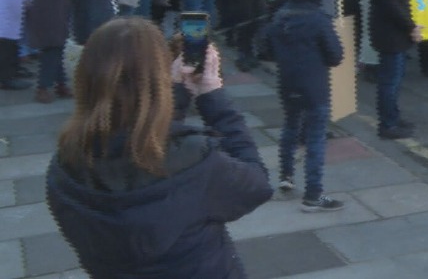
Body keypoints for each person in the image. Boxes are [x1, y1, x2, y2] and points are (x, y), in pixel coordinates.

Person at [45, 18, 273, 277]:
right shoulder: (195, 162)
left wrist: (177, 92)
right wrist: (212, 97)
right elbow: (256, 184)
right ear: (158, 78)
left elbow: (139, 142)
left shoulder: (65, 165)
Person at [263, 0, 345, 212]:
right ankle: (313, 194)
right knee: (315, 137)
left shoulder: (280, 16)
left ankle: (286, 176)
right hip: (314, 85)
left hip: (287, 82)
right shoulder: (319, 19)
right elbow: (335, 56)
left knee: (290, 126)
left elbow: (267, 49)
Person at [364, 0, 421, 140]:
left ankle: (393, 117)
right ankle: (388, 124)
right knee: (389, 81)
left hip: (394, 31)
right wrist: (410, 26)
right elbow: (391, 4)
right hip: (390, 32)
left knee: (394, 80)